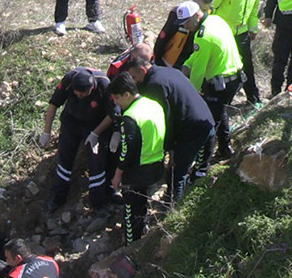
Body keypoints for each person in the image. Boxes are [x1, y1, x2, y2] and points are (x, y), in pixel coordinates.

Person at [125, 53, 216, 203]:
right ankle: (198, 196)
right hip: (207, 120)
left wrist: (170, 149)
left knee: (175, 173)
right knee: (201, 169)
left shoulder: (154, 85)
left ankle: (173, 208)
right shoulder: (169, 71)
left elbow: (165, 120)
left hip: (192, 129)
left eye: (134, 78)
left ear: (142, 69)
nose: (135, 83)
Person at [38, 67, 116, 213]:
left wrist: (95, 133)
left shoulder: (104, 85)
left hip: (95, 125)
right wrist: (46, 132)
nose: (80, 96)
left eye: (83, 94)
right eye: (77, 93)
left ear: (91, 88)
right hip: (71, 122)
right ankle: (59, 196)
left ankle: (98, 202)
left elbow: (112, 114)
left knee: (97, 163)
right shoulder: (69, 80)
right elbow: (54, 104)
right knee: (65, 158)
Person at [108, 73, 167, 245]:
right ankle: (141, 233)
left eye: (117, 98)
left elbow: (127, 151)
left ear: (127, 94)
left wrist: (117, 175)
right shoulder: (153, 104)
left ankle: (130, 245)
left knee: (131, 210)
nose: (115, 102)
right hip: (157, 163)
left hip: (139, 171)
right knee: (141, 205)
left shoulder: (130, 117)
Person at [180, 5, 245, 160]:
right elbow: (200, 54)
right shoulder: (215, 20)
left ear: (196, 15)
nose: (185, 26)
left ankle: (202, 162)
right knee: (219, 111)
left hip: (222, 83)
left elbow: (198, 72)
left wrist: (191, 97)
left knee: (208, 122)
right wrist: (187, 64)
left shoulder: (203, 36)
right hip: (234, 77)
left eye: (187, 22)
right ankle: (225, 148)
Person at [212, 0, 267, 104]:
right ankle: (219, 99)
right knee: (221, 67)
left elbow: (255, 6)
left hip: (242, 32)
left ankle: (253, 98)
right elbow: (212, 7)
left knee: (247, 66)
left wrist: (253, 27)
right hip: (222, 32)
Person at [153, 0, 213, 68]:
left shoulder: (208, 21)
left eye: (203, 10)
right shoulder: (179, 13)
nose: (199, 12)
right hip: (169, 62)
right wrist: (156, 60)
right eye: (197, 7)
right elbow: (163, 38)